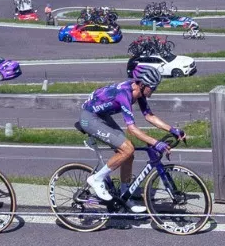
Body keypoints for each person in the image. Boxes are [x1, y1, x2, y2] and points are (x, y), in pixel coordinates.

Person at [77, 65, 185, 211]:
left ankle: (124, 195)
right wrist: (155, 143)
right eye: (152, 87)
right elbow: (132, 128)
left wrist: (172, 129)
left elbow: (149, 116)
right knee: (127, 148)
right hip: (89, 118)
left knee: (129, 153)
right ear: (142, 84)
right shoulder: (124, 94)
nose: (154, 90)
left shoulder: (138, 93)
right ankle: (96, 179)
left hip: (101, 116)